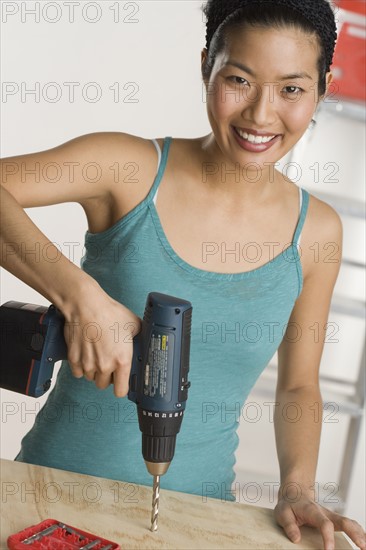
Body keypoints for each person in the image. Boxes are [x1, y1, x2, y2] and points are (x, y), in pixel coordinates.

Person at [1, 0, 365, 548]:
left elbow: (297, 385)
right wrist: (81, 298)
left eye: (291, 88)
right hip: (49, 500)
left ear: (323, 86)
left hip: (198, 518)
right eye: (239, 80)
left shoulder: (316, 232)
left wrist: (296, 488)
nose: (262, 115)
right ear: (205, 66)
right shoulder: (126, 168)